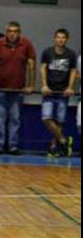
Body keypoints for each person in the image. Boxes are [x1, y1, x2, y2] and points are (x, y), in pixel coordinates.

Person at [0, 22, 36, 155]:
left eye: (15, 31)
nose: (12, 34)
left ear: (19, 32)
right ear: (6, 32)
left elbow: (31, 65)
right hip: (0, 89)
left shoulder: (26, 44)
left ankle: (13, 146)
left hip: (18, 90)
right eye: (10, 31)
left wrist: (31, 84)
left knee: (15, 118)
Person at [40, 29, 78, 157]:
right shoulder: (47, 52)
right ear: (54, 38)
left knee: (59, 121)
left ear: (66, 39)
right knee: (46, 118)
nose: (60, 39)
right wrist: (44, 85)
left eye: (63, 37)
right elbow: (43, 68)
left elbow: (73, 71)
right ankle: (63, 140)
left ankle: (54, 147)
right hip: (49, 91)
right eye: (58, 37)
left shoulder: (71, 54)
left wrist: (70, 87)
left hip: (63, 92)